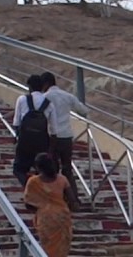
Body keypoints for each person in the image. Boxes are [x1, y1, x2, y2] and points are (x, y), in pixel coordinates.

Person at [40, 71, 88, 210]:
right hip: (67, 137)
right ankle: (74, 200)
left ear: (46, 84)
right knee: (67, 169)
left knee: (52, 170)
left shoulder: (45, 97)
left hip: (52, 137)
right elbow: (83, 110)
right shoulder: (67, 96)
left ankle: (57, 199)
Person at [23, 152, 73, 257]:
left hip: (46, 218)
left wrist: (42, 207)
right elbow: (72, 199)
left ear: (37, 167)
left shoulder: (33, 181)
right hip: (62, 217)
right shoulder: (62, 179)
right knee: (62, 248)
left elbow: (28, 203)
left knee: (47, 249)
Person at [11, 74, 52, 188]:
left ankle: (28, 185)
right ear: (43, 86)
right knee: (42, 169)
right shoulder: (48, 103)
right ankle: (41, 189)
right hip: (42, 141)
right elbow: (53, 127)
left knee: (18, 169)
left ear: (29, 87)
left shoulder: (22, 99)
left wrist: (16, 137)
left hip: (25, 140)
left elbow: (17, 122)